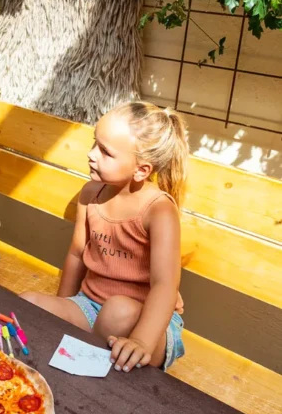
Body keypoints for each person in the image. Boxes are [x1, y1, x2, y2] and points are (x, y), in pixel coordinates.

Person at [22, 101, 189, 372]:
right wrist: (62, 308)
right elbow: (77, 254)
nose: (91, 154)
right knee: (28, 304)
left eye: (105, 152)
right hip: (89, 307)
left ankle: (90, 373)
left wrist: (141, 341)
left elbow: (165, 285)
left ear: (141, 170)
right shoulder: (91, 194)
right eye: (94, 143)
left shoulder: (159, 210)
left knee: (117, 312)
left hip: (148, 324)